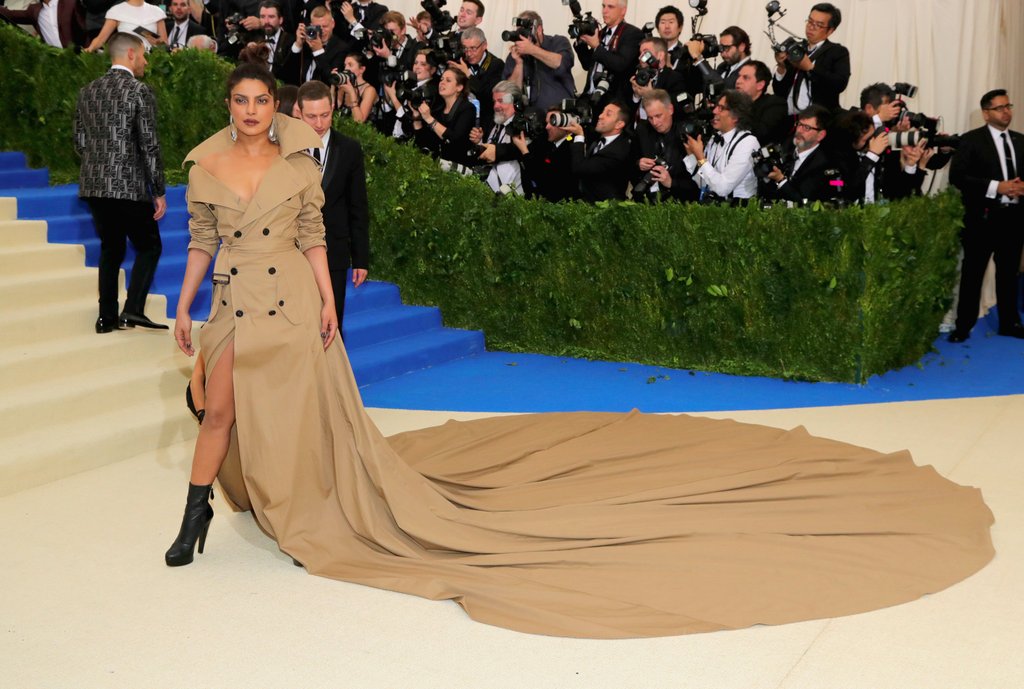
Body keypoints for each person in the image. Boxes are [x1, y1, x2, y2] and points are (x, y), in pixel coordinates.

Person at [163, 61, 995, 642]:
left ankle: (300, 489)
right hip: (237, 297)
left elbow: (319, 231)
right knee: (221, 405)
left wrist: (332, 302)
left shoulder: (304, 164)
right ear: (233, 105)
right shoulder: (206, 166)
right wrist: (187, 307)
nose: (249, 111)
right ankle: (194, 514)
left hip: (302, 294)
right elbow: (199, 240)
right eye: (239, 100)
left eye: (257, 100)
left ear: (273, 107)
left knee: (307, 407)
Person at [74, 32, 167, 333]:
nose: (145, 60)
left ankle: (106, 318)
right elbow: (149, 145)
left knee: (110, 249)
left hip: (94, 186)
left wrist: (99, 165)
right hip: (130, 187)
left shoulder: (87, 91)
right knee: (150, 246)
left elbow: (80, 142)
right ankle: (134, 310)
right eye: (143, 54)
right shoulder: (140, 91)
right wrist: (159, 190)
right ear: (130, 54)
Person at [948, 89, 1024, 342]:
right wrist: (996, 187)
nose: (1006, 111)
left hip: (1014, 218)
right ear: (985, 113)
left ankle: (1010, 323)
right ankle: (963, 326)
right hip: (982, 218)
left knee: (1009, 274)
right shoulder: (970, 140)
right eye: (1000, 107)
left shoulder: (1020, 140)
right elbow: (958, 178)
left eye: (1008, 106)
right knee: (973, 274)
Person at [296, 79, 370, 332]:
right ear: (299, 113)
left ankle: (331, 372)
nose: (319, 123)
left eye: (325, 115)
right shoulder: (284, 149)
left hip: (334, 251)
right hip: (291, 250)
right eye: (312, 117)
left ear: (333, 110)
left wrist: (360, 258)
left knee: (332, 321)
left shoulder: (349, 149)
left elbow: (358, 205)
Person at [772, 2, 850, 114]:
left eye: (818, 25)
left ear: (831, 30)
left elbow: (839, 84)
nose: (811, 27)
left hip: (818, 120)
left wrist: (810, 68)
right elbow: (779, 91)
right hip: (789, 118)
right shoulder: (796, 49)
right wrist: (781, 67)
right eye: (810, 21)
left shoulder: (838, 52)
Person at [683, 89, 760, 202]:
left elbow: (723, 188)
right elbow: (703, 183)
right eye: (716, 107)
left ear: (736, 116)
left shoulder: (747, 142)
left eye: (721, 108)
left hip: (739, 211)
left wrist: (700, 157)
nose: (714, 111)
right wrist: (692, 155)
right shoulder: (715, 139)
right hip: (714, 209)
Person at [631, 89, 700, 202]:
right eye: (650, 118)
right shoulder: (642, 130)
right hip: (646, 199)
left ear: (670, 109)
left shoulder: (687, 133)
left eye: (658, 116)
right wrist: (638, 163)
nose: (655, 122)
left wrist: (671, 183)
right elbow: (629, 164)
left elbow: (699, 182)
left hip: (680, 202)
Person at [501, 10, 576, 112]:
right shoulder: (516, 53)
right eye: (519, 32)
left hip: (560, 114)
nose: (521, 37)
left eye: (524, 32)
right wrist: (519, 63)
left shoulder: (558, 42)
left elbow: (560, 63)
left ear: (539, 29)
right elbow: (510, 92)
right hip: (532, 117)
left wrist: (532, 49)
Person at [761, 104, 837, 203]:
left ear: (821, 135)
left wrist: (781, 180)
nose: (799, 131)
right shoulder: (786, 148)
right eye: (799, 124)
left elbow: (804, 201)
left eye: (806, 128)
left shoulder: (824, 164)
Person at [574, 0, 642, 107]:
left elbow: (620, 64)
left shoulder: (632, 33)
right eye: (603, 6)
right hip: (588, 99)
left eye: (610, 7)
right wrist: (581, 42)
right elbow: (587, 65)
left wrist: (596, 46)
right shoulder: (601, 32)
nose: (604, 11)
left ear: (623, 11)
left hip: (614, 102)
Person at [563, 99, 633, 201]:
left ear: (619, 124)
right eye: (602, 112)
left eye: (608, 114)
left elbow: (579, 168)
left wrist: (579, 136)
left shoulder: (619, 150)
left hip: (607, 210)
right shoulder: (597, 139)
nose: (600, 116)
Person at [470, 80, 526, 196]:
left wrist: (497, 152)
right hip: (487, 192)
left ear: (515, 103)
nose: (496, 106)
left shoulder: (524, 125)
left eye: (500, 101)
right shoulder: (492, 124)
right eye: (494, 101)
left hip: (515, 196)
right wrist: (479, 142)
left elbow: (522, 150)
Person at [412, 67, 475, 165]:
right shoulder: (438, 109)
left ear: (459, 87)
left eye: (448, 80)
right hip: (437, 167)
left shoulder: (467, 108)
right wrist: (417, 119)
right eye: (441, 79)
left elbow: (455, 140)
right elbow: (424, 144)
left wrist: (429, 119)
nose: (442, 82)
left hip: (457, 170)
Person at [451, 27, 504, 133]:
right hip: (463, 120)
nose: (469, 53)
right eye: (465, 48)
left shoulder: (496, 65)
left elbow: (488, 95)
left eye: (473, 48)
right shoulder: (461, 61)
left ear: (484, 45)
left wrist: (468, 74)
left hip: (486, 123)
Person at [735, 60, 790, 146]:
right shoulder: (732, 103)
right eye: (738, 76)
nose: (738, 81)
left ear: (760, 85)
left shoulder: (775, 104)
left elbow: (760, 135)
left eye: (745, 78)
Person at [292, 5, 350, 85]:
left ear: (333, 24)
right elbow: (288, 72)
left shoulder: (341, 48)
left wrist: (318, 51)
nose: (321, 31)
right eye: (317, 27)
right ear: (311, 25)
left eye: (325, 26)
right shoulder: (306, 43)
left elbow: (332, 80)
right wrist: (298, 45)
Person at [84, 0, 168, 52]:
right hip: (126, 63)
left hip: (152, 64)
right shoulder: (116, 11)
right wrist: (89, 49)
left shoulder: (157, 12)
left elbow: (165, 45)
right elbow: (100, 39)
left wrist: (158, 43)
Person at [0, 0, 86, 49]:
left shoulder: (70, 3)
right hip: (57, 61)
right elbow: (11, 15)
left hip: (82, 54)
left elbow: (85, 26)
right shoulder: (34, 10)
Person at [335, 52, 378, 124]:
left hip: (361, 133)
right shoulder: (344, 87)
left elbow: (359, 121)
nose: (346, 68)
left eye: (350, 65)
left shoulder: (369, 90)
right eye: (345, 65)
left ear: (362, 69)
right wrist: (334, 85)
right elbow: (333, 111)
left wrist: (352, 93)